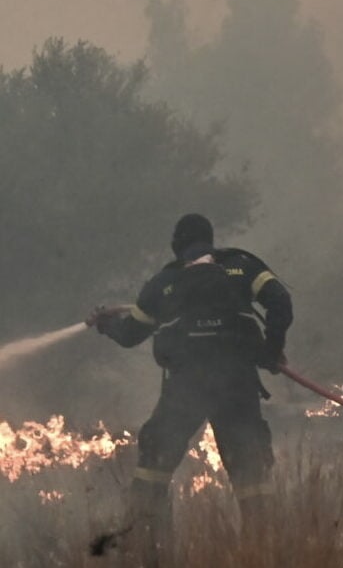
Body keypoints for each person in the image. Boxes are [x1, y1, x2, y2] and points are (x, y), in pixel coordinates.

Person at [87, 213, 293, 565]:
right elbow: (280, 303)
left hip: (186, 387)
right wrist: (270, 352)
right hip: (237, 386)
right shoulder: (242, 267)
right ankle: (263, 555)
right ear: (211, 240)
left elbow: (129, 335)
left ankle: (150, 553)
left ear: (176, 245)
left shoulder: (163, 282)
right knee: (250, 473)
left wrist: (105, 324)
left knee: (154, 463)